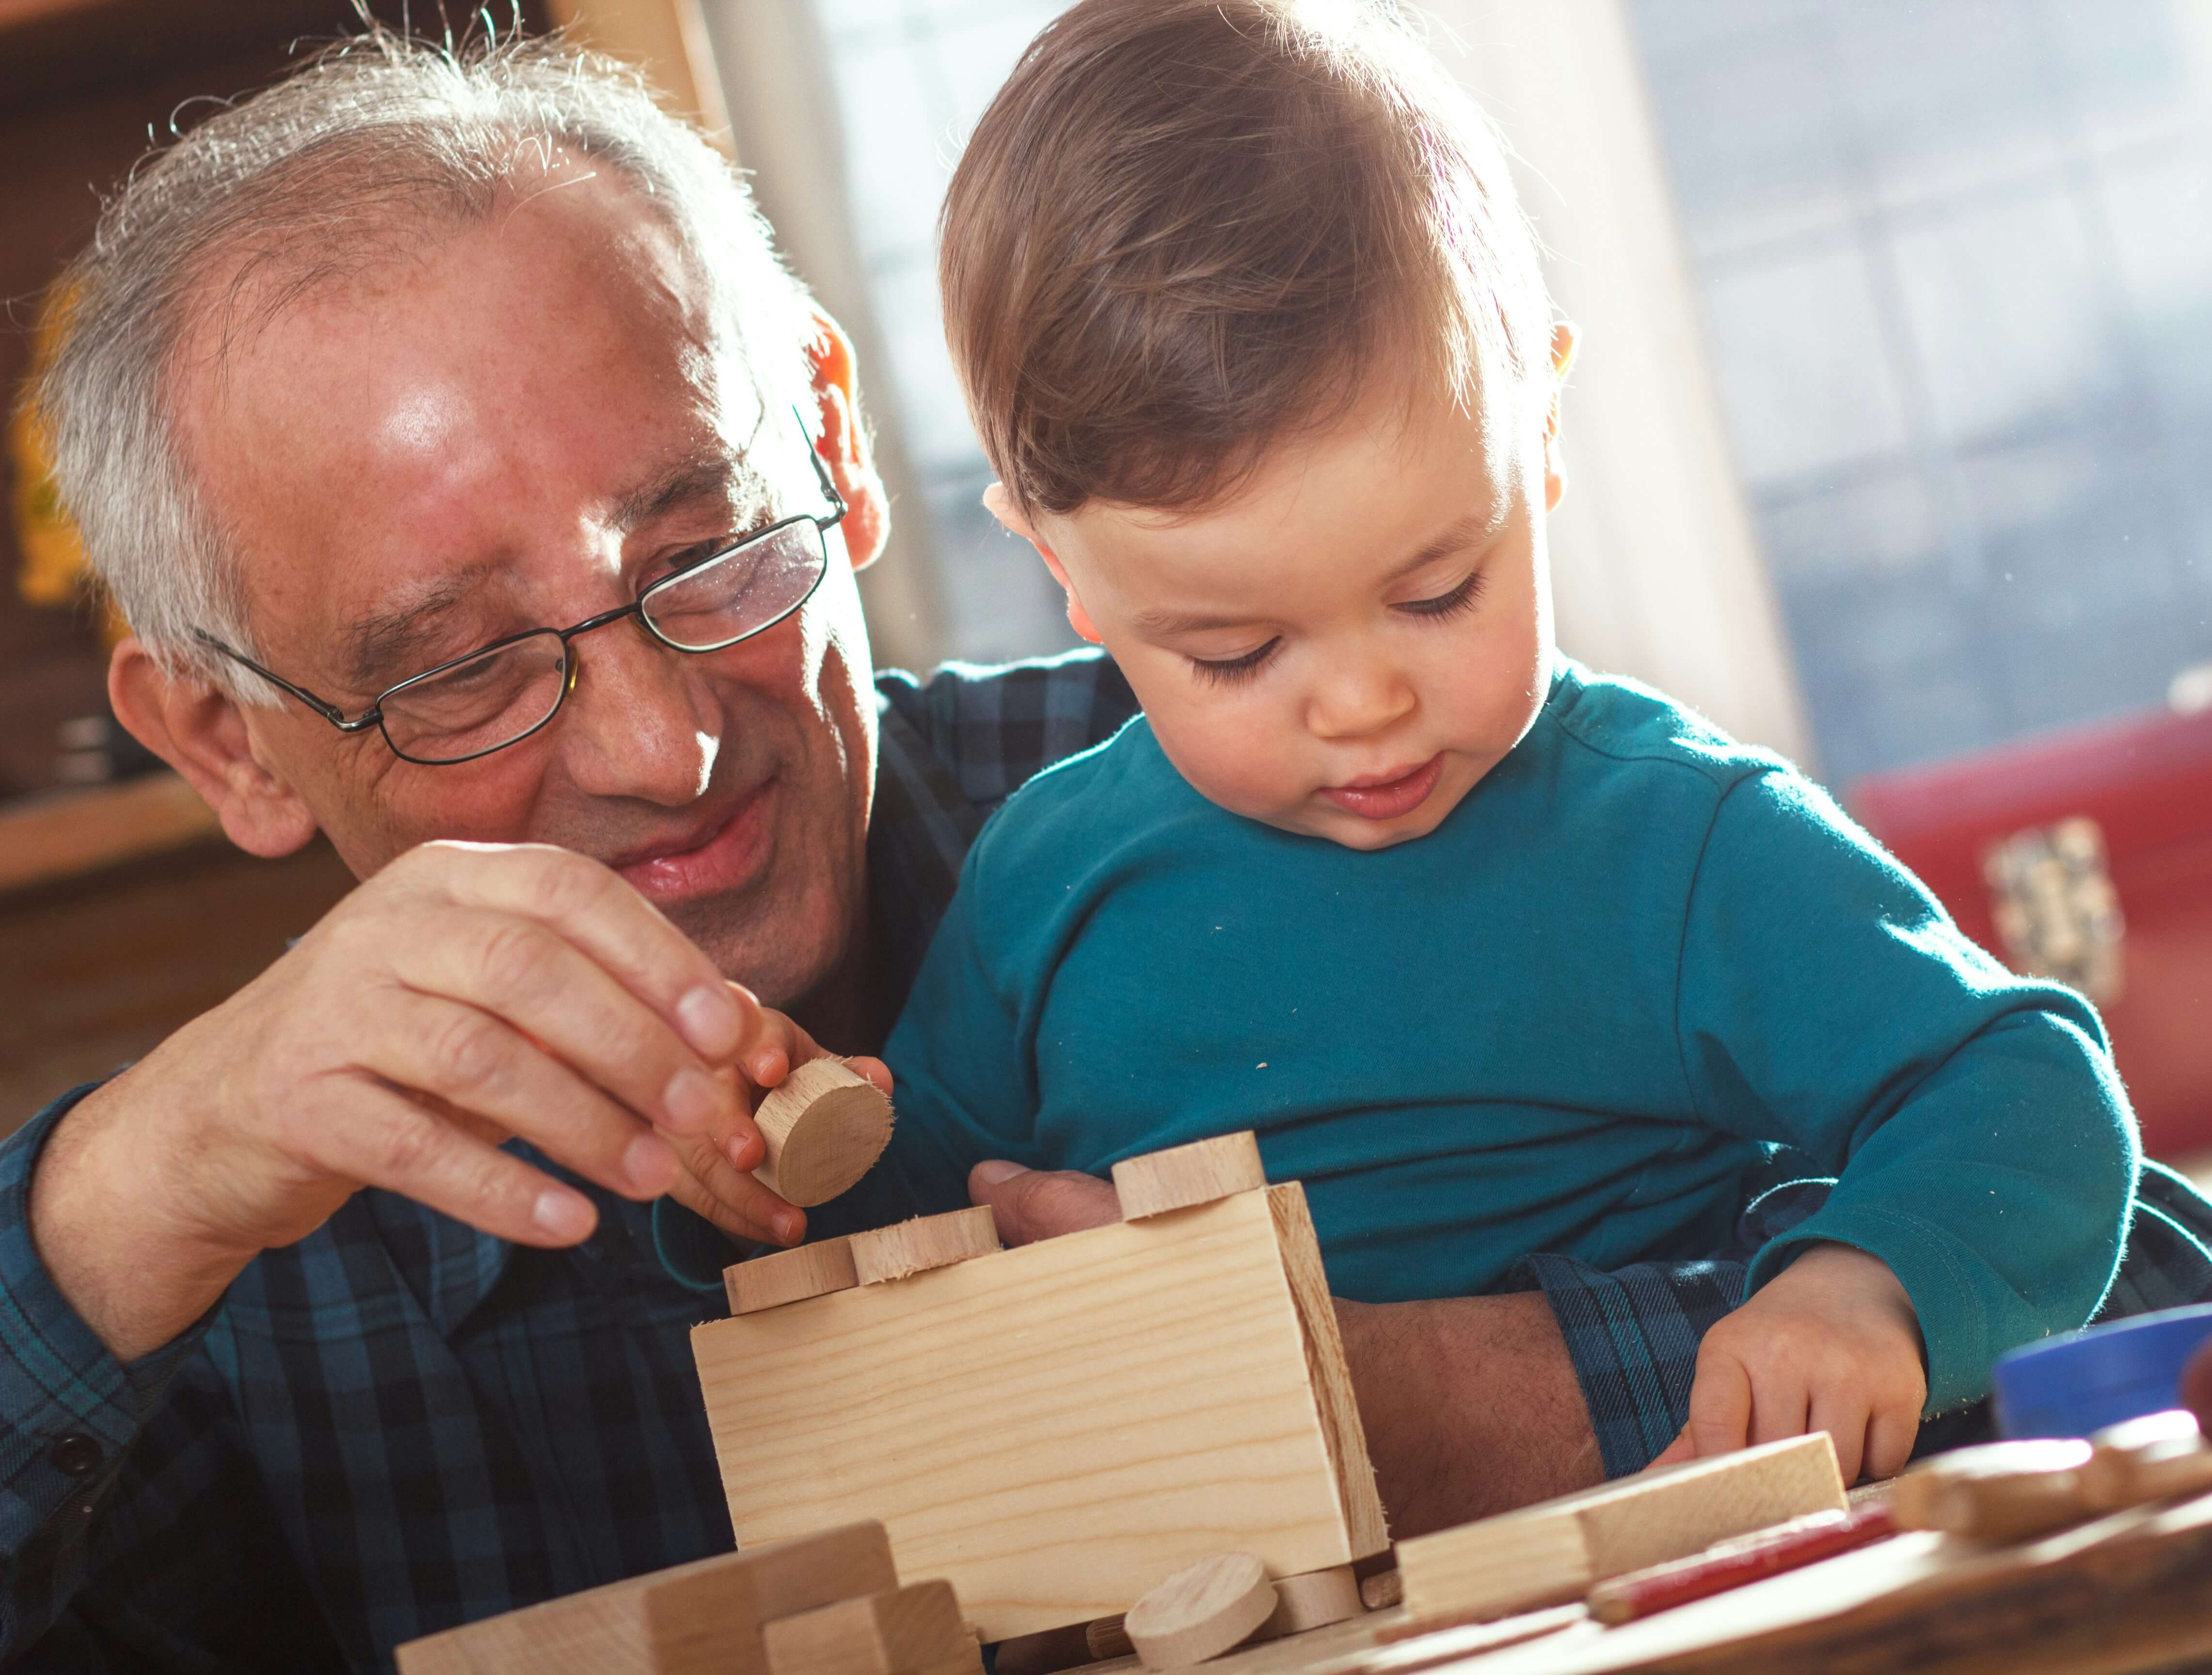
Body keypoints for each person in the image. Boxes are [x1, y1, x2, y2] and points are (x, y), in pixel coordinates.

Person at [5, 18, 2208, 1675]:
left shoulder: (1326, 779)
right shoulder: (227, 1253)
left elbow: (2150, 1298)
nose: (666, 741)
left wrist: (1437, 1401)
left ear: (844, 455)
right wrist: (118, 1193)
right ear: (228, 740)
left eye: (712, 551)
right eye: (460, 669)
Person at [855, 0, 2138, 1486]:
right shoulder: (1040, 884)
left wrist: (1863, 1286)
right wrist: (760, 1172)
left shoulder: (1674, 843)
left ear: (1540, 429)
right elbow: (891, 1212)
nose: (1359, 706)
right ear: (1059, 569)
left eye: (1434, 590)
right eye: (1235, 653)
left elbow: (2022, 1083)